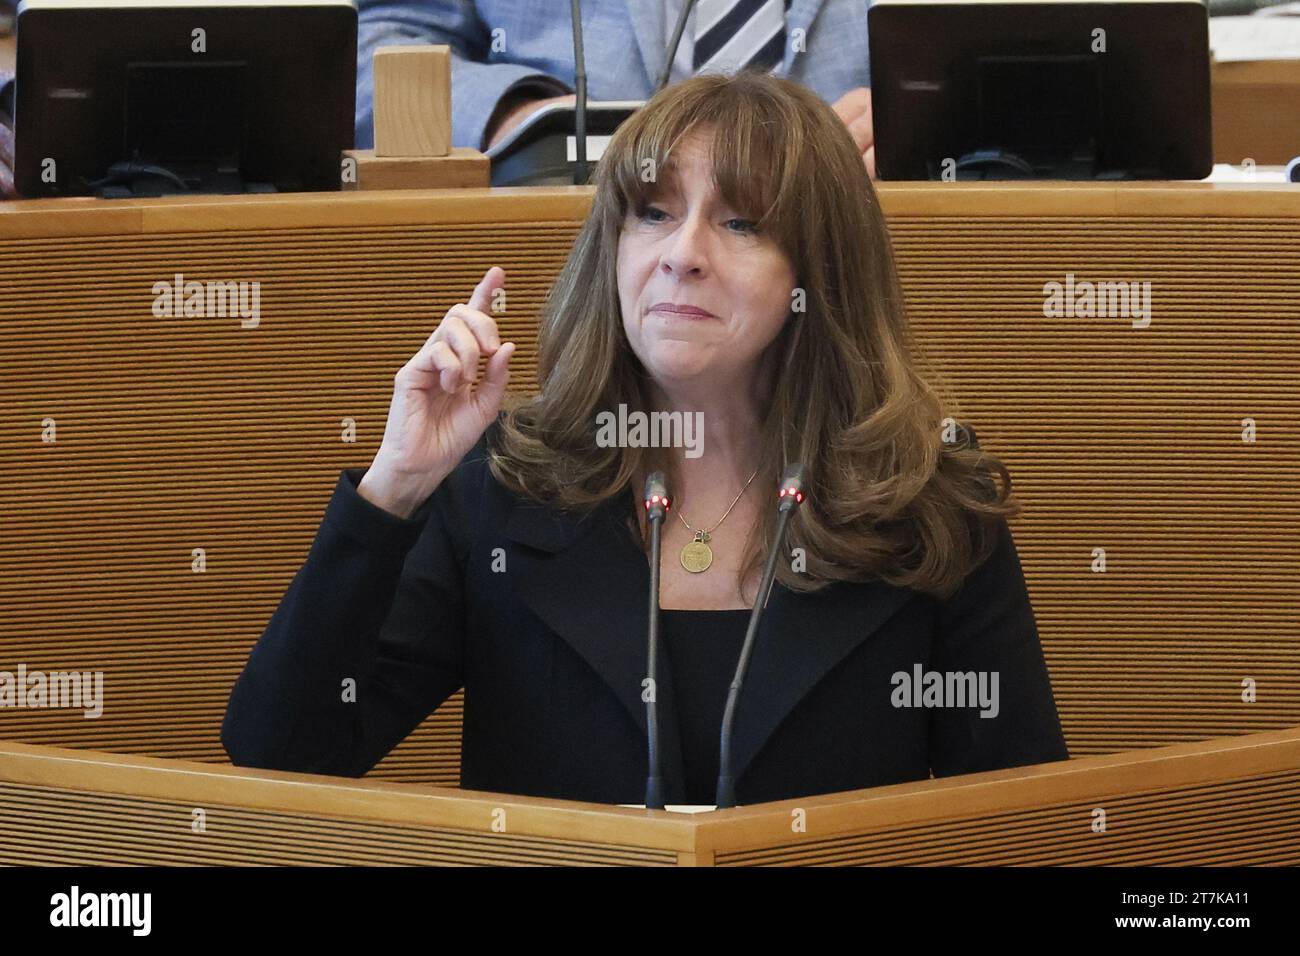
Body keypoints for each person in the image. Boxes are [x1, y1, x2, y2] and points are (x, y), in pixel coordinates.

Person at [222, 70, 1068, 807]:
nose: (683, 254)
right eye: (654, 212)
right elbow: (283, 752)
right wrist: (396, 484)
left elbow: (1019, 819)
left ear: (820, 272)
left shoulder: (926, 500)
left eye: (742, 224)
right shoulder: (504, 486)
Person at [357, 0, 877, 175]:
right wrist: (515, 118)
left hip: (860, 251)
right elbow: (371, 46)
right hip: (554, 240)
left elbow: (952, 57)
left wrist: (918, 115)